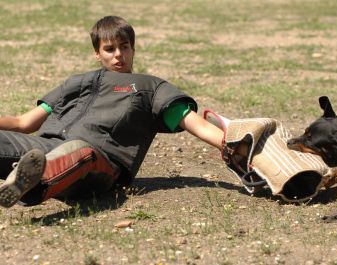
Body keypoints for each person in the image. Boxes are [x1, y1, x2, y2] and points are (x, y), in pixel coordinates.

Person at [0, 15, 224, 208]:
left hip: (101, 165)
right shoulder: (76, 83)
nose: (118, 54)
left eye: (124, 47)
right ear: (97, 53)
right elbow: (23, 123)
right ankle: (25, 176)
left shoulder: (150, 87)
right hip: (47, 148)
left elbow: (200, 126)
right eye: (109, 49)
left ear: (133, 48)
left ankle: (29, 182)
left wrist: (239, 147)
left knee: (78, 150)